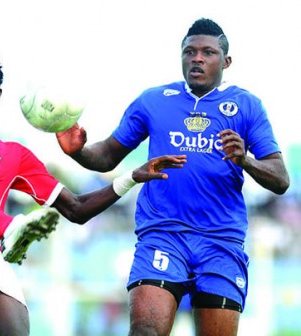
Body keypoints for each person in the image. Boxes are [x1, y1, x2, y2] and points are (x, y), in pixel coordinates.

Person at [0, 45, 187, 336]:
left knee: (14, 326)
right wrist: (9, 228)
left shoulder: (13, 154)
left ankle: (9, 232)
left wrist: (130, 178)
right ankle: (12, 230)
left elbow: (77, 209)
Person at [56, 18, 290, 336]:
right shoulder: (153, 101)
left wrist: (246, 161)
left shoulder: (247, 106)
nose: (197, 58)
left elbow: (281, 179)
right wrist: (78, 152)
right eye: (189, 51)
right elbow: (107, 154)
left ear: (226, 61)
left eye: (208, 52)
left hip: (221, 242)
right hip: (163, 235)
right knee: (145, 332)